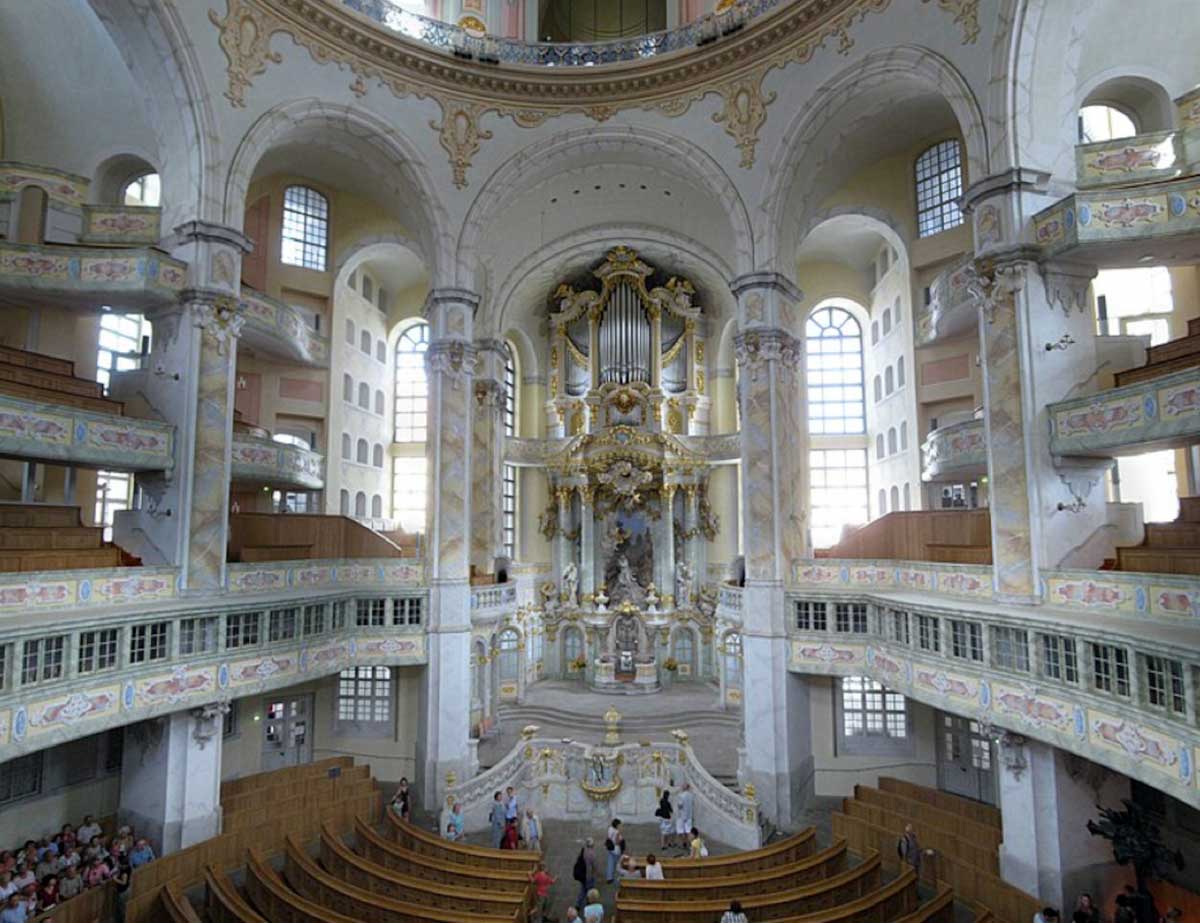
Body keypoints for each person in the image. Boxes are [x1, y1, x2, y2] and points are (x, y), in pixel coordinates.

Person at [573, 839, 597, 912]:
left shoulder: (583, 851)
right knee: (590, 890)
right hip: (589, 876)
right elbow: (594, 866)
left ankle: (577, 904)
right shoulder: (592, 854)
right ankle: (589, 902)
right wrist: (595, 873)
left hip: (582, 875)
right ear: (592, 845)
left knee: (582, 890)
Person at [111, 858, 132, 923]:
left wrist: (115, 879)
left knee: (122, 908)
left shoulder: (125, 872)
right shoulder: (128, 868)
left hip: (123, 892)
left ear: (124, 865)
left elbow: (123, 882)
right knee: (120, 907)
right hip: (126, 889)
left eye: (121, 864)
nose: (119, 865)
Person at [605, 818, 624, 883]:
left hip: (610, 848)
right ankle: (619, 877)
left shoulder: (610, 829)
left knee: (610, 863)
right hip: (616, 850)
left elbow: (608, 838)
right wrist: (621, 840)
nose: (621, 826)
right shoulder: (617, 832)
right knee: (618, 863)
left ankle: (609, 878)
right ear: (617, 825)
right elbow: (617, 842)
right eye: (620, 825)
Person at [675, 783, 694, 849]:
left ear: (684, 788)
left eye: (683, 786)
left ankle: (682, 843)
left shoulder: (681, 795)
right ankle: (691, 844)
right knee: (688, 831)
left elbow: (680, 805)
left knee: (680, 831)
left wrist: (677, 805)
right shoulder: (691, 795)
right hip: (689, 815)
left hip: (682, 816)